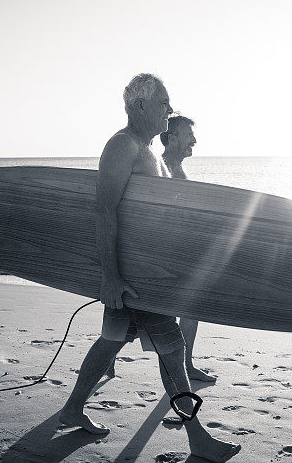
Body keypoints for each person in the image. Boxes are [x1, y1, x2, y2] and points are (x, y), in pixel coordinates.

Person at [56, 74, 240, 462]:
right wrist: (110, 276)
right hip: (134, 278)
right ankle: (197, 439)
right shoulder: (122, 146)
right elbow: (103, 210)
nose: (169, 112)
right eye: (163, 104)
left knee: (111, 341)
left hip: (143, 275)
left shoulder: (148, 150)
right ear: (140, 106)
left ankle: (73, 408)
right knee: (172, 351)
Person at [106, 113, 215, 382]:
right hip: (159, 260)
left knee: (188, 310)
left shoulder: (176, 168)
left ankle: (185, 363)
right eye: (189, 136)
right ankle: (108, 359)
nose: (195, 141)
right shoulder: (161, 167)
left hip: (175, 256)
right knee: (137, 318)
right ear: (173, 138)